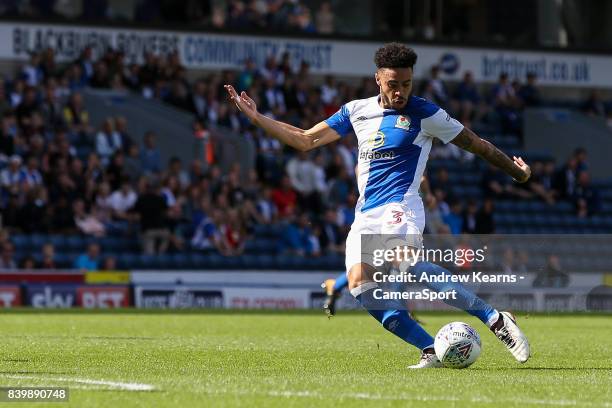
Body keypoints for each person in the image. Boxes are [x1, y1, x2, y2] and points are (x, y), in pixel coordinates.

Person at [225, 42, 531, 368]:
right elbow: (306, 139)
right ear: (378, 80)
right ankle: (431, 349)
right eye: (393, 85)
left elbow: (478, 146)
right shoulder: (356, 111)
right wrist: (257, 118)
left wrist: (518, 174)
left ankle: (496, 319)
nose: (400, 92)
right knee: (359, 284)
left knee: (405, 261)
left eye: (407, 84)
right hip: (366, 214)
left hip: (401, 205)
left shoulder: (426, 113)